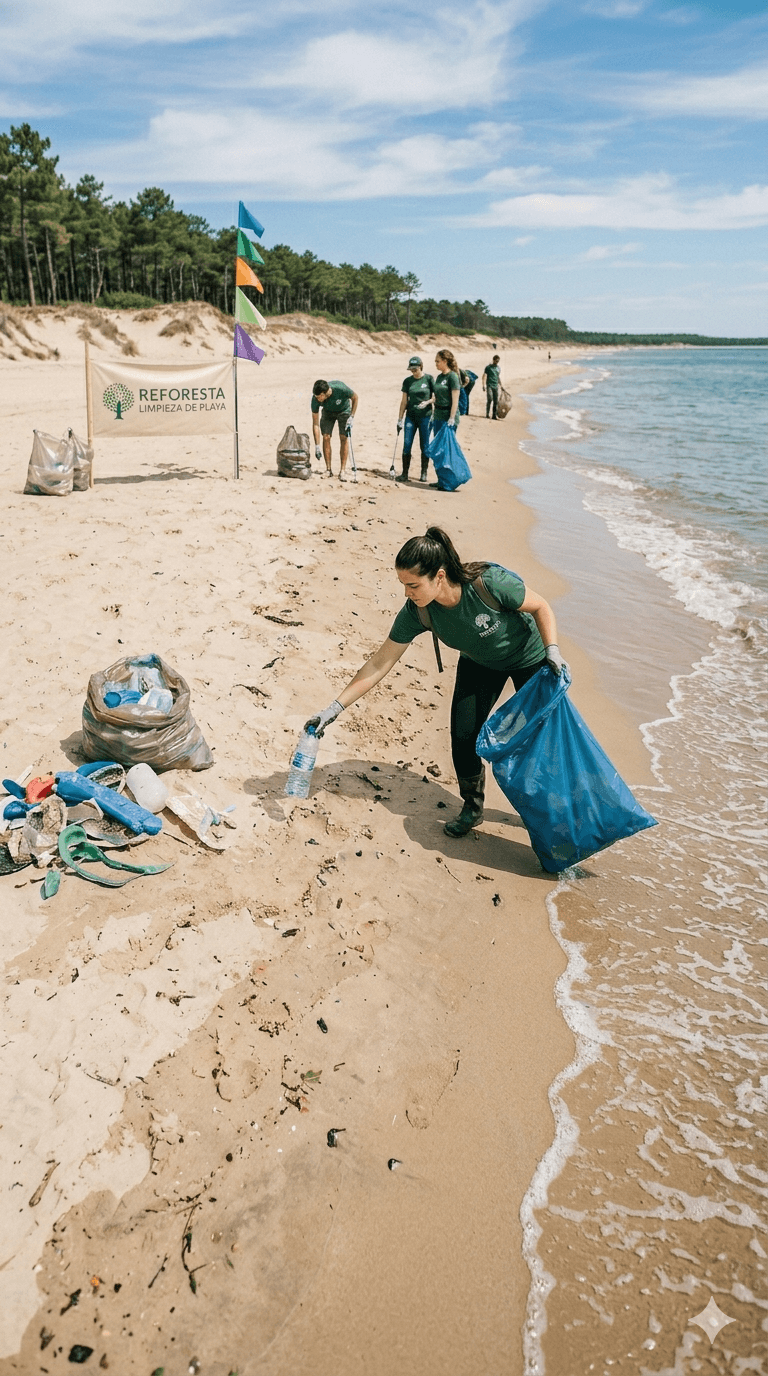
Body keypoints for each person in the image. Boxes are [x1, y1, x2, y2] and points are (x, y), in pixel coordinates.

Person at [305, 526, 567, 839]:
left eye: (413, 585)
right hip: (479, 664)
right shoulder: (419, 612)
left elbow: (540, 606)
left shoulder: (489, 584)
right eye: (403, 584)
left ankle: (549, 810)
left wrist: (552, 649)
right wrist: (334, 708)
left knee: (541, 739)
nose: (407, 593)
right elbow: (379, 662)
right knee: (463, 734)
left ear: (439, 576)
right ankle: (472, 806)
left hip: (530, 657)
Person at [396, 356, 434, 484]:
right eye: (411, 370)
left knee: (425, 445)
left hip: (426, 416)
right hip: (410, 417)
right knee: (407, 444)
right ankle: (404, 473)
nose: (413, 372)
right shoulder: (407, 381)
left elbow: (436, 397)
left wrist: (427, 402)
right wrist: (400, 418)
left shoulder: (429, 379)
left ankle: (424, 472)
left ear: (421, 366)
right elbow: (404, 401)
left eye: (415, 369)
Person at [311, 379, 358, 481]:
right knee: (326, 437)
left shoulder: (340, 388)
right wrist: (317, 446)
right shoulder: (315, 399)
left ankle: (342, 471)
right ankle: (328, 470)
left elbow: (355, 397)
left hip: (344, 410)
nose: (317, 398)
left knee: (343, 437)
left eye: (319, 397)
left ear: (324, 393)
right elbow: (315, 424)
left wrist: (352, 417)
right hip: (328, 413)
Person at [432, 350, 461, 437]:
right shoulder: (439, 377)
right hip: (438, 415)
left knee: (446, 446)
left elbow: (455, 401)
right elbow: (437, 397)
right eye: (435, 361)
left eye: (437, 361)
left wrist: (452, 418)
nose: (436, 364)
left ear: (445, 361)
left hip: (448, 416)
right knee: (437, 444)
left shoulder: (452, 376)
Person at [482, 355, 501, 419]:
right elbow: (484, 376)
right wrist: (484, 385)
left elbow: (498, 377)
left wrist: (501, 385)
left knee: (496, 401)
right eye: (496, 361)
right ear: (493, 360)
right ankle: (487, 414)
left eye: (498, 361)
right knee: (490, 399)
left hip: (496, 386)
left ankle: (494, 415)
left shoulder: (498, 368)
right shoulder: (488, 367)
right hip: (489, 385)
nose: (497, 362)